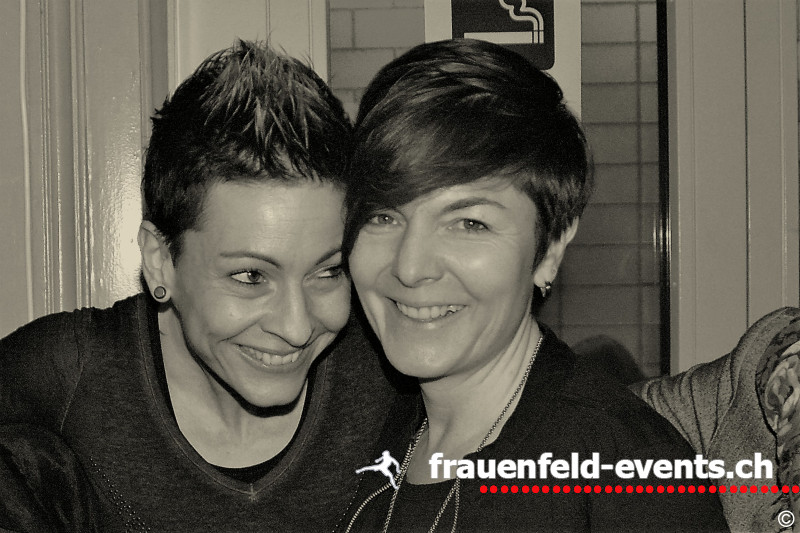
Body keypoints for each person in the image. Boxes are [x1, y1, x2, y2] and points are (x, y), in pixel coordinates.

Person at [0, 40, 398, 531]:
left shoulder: (390, 372)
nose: (296, 327)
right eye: (250, 276)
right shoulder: (70, 372)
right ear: (160, 260)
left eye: (328, 272)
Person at [340, 38, 728, 532]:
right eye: (383, 216)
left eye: (469, 223)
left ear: (549, 249)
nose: (410, 267)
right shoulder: (370, 428)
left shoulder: (629, 480)